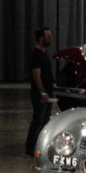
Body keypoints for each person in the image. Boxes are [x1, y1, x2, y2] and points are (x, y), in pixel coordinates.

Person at [25, 26, 54, 156]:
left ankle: (39, 146)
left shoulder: (44, 54)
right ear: (41, 39)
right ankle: (31, 149)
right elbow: (36, 76)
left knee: (44, 122)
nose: (50, 38)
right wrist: (42, 93)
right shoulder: (36, 55)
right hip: (40, 95)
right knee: (38, 122)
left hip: (47, 94)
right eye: (48, 36)